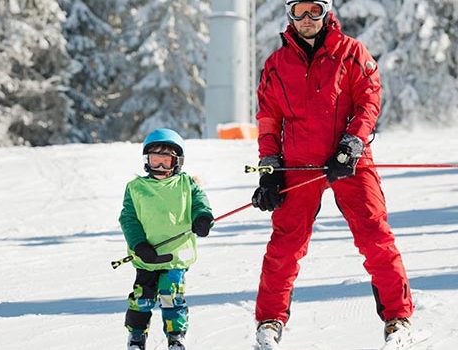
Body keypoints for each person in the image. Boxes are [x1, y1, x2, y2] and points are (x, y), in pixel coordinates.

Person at [250, 1, 414, 348]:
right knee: (285, 244)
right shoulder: (276, 65)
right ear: (289, 14)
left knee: (374, 235)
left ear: (326, 13)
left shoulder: (351, 51)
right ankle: (269, 321)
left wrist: (351, 144)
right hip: (298, 164)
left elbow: (369, 99)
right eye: (299, 12)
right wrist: (270, 168)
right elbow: (268, 119)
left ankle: (397, 319)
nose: (306, 20)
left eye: (314, 11)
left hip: (349, 161)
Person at [119, 128, 214, 350]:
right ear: (146, 161)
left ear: (177, 162)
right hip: (146, 256)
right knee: (143, 298)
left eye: (166, 161)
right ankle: (136, 336)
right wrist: (139, 244)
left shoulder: (187, 185)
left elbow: (201, 205)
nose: (160, 167)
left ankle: (176, 336)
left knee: (171, 296)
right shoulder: (136, 188)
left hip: (176, 256)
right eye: (155, 160)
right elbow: (128, 219)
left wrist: (202, 218)